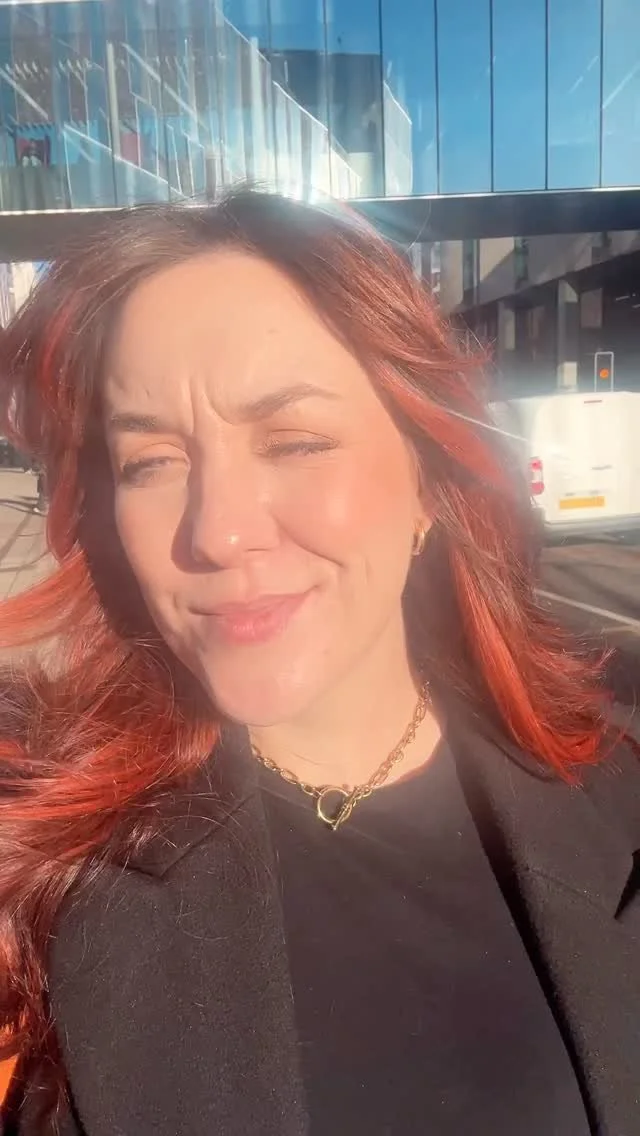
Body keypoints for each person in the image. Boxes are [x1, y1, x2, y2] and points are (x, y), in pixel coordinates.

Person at [0, 189, 638, 1136]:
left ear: (429, 480)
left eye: (295, 442)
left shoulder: (616, 792)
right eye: (151, 462)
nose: (216, 533)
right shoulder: (48, 866)